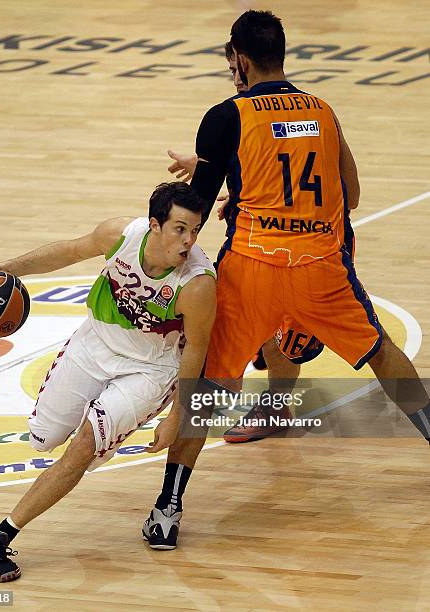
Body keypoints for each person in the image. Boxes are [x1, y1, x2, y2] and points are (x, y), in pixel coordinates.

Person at [143, 10, 430, 551]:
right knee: (380, 351)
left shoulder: (227, 115)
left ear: (239, 59)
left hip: (252, 268)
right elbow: (353, 196)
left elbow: (196, 206)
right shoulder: (322, 112)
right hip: (321, 266)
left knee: (206, 385)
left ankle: (168, 508)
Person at [0, 182, 216, 582]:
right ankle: (90, 446)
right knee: (45, 438)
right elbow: (68, 250)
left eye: (195, 231)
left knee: (83, 446)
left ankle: (0, 536)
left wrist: (177, 415)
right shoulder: (120, 235)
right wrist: (8, 269)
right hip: (95, 343)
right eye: (179, 229)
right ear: (154, 225)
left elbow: (196, 351)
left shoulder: (198, 283)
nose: (189, 241)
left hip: (149, 369)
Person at [166, 41, 356, 444]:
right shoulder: (318, 110)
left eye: (231, 64)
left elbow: (343, 196)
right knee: (264, 326)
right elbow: (286, 166)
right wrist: (235, 188)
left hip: (312, 252)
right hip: (294, 245)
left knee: (284, 341)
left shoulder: (239, 113)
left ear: (242, 63)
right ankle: (269, 403)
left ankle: (271, 405)